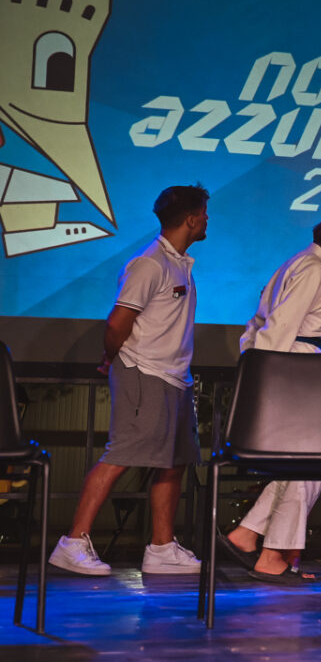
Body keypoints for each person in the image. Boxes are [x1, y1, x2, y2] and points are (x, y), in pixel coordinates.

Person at [49, 185, 210, 577]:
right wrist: (112, 357)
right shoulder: (150, 264)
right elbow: (117, 323)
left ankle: (161, 548)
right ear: (191, 219)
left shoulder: (178, 263)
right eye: (205, 213)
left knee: (174, 462)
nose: (208, 220)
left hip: (175, 377)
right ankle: (72, 543)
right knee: (121, 455)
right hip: (144, 372)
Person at [220, 210, 321, 584]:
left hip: (291, 364)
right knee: (313, 463)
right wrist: (265, 379)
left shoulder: (297, 262)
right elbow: (280, 325)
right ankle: (271, 554)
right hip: (294, 367)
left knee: (302, 466)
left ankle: (248, 533)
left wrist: (257, 366)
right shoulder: (313, 268)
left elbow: (259, 324)